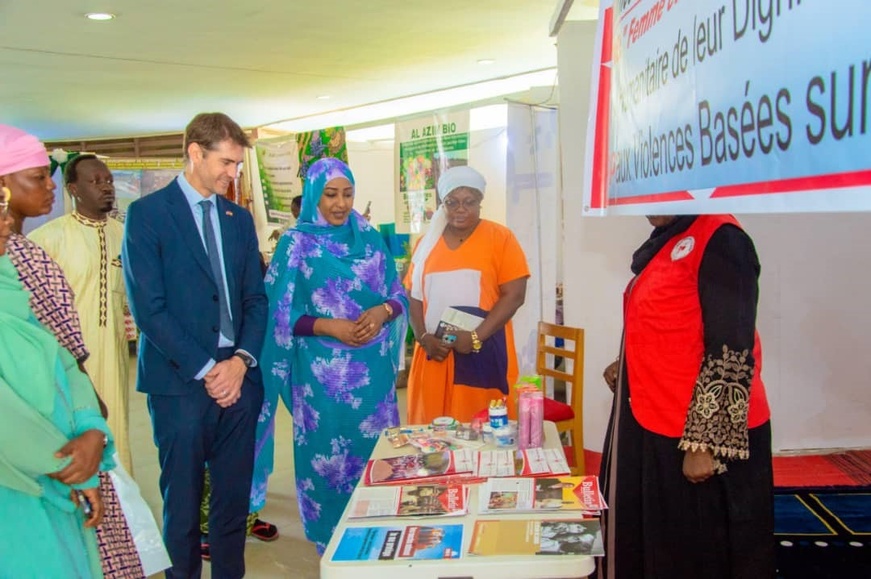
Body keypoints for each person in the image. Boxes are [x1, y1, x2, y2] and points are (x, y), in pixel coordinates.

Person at [123, 112, 267, 578]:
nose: (233, 173)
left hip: (240, 380)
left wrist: (241, 362)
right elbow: (150, 311)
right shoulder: (147, 215)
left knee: (231, 503)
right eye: (226, 162)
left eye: (238, 165)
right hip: (180, 382)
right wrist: (209, 368)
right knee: (182, 508)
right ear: (195, 152)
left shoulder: (238, 220)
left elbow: (254, 300)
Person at [0, 124, 145, 578]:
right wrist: (75, 460)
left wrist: (89, 423)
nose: (47, 186)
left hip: (87, 393)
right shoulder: (49, 242)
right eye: (37, 178)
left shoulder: (26, 256)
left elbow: (61, 352)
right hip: (33, 460)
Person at [597, 215, 774, 578]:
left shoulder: (723, 239)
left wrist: (704, 443)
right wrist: (628, 360)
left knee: (703, 548)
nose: (650, 205)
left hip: (700, 431)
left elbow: (731, 344)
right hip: (658, 415)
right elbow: (673, 323)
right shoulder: (668, 238)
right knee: (668, 542)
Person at [259, 157, 407, 553]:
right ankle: (332, 545)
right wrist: (329, 326)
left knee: (375, 456)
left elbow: (397, 292)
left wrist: (382, 312)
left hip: (372, 379)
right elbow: (275, 310)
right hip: (322, 382)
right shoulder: (296, 244)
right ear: (313, 195)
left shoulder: (370, 237)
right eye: (330, 194)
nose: (340, 204)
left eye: (347, 193)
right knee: (327, 460)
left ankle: (378, 538)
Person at [0, 210, 116, 577]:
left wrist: (92, 429)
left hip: (58, 486)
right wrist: (75, 468)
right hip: (18, 491)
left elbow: (62, 362)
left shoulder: (10, 286)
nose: (6, 220)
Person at [30, 154, 133, 474]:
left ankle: (121, 509)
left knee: (115, 425)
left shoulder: (126, 235)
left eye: (108, 181)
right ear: (73, 189)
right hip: (65, 361)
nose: (106, 188)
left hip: (114, 356)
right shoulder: (46, 240)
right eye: (95, 181)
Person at [405, 165, 529, 424]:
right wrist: (423, 337)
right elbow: (412, 296)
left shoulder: (500, 238)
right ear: (442, 203)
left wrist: (474, 337)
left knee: (481, 430)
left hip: (481, 351)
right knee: (432, 435)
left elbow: (515, 295)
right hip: (434, 353)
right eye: (452, 202)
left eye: (469, 202)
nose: (460, 209)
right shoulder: (425, 244)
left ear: (480, 202)